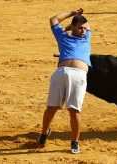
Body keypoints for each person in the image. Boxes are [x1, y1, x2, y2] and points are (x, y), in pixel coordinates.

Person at [37, 8, 91, 154]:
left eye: (84, 28)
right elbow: (53, 19)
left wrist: (78, 18)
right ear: (73, 27)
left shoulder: (86, 37)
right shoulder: (62, 37)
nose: (83, 31)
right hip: (61, 73)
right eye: (79, 28)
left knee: (74, 110)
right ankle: (43, 133)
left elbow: (87, 25)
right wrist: (72, 13)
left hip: (79, 75)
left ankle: (75, 142)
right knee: (51, 108)